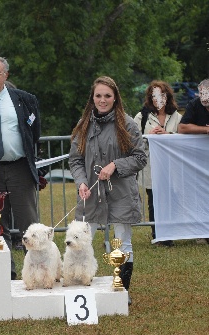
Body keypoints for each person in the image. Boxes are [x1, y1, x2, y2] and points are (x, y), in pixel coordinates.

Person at [69, 76, 147, 304]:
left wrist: (115, 165)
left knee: (123, 242)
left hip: (121, 192)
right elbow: (75, 160)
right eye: (98, 96)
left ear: (115, 98)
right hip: (91, 194)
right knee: (82, 240)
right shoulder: (83, 125)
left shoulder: (128, 124)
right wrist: (81, 181)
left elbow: (140, 157)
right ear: (92, 98)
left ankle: (121, 289)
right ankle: (78, 286)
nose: (102, 100)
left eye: (107, 96)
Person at [0, 56, 41, 280]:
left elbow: (34, 133)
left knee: (29, 225)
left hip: (20, 168)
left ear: (6, 75)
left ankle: (39, 272)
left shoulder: (25, 100)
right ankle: (5, 275)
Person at [134, 80, 182, 247]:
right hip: (151, 166)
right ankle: (158, 235)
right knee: (153, 200)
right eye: (154, 95)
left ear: (167, 96)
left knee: (172, 199)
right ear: (150, 97)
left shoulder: (177, 116)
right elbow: (134, 141)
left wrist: (167, 134)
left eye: (162, 94)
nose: (158, 98)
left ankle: (171, 232)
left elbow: (183, 140)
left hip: (172, 167)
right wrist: (149, 137)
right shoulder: (141, 117)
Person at [178, 78, 209, 244]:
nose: (206, 103)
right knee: (199, 194)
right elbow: (182, 128)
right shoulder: (194, 104)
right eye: (203, 98)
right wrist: (206, 130)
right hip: (198, 159)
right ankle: (201, 232)